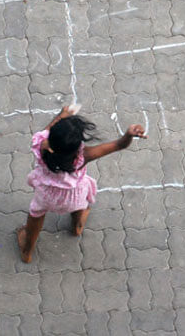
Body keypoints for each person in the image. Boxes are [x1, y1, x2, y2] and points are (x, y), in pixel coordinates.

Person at [17, 106, 146, 263]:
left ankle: (27, 250)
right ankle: (77, 226)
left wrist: (62, 115)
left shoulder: (41, 145)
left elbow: (49, 129)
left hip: (46, 196)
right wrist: (128, 135)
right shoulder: (83, 156)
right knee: (81, 206)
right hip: (74, 195)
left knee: (35, 216)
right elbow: (118, 145)